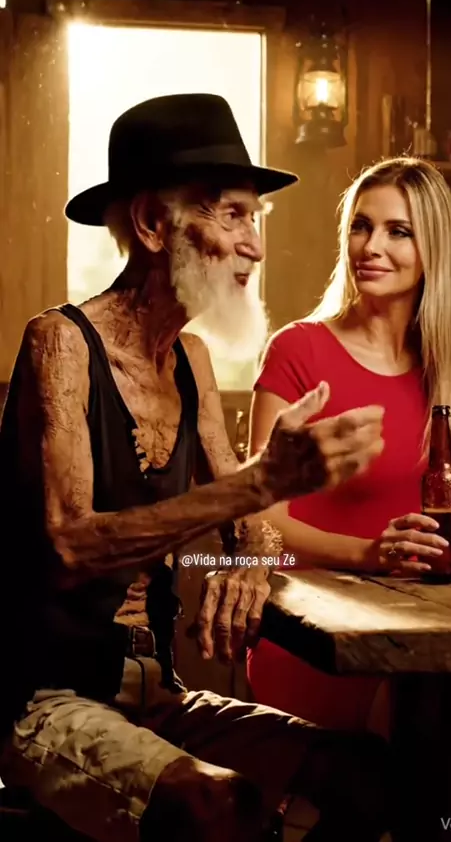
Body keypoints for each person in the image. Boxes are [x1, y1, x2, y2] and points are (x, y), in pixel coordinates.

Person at [0, 94, 390, 842]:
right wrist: (261, 482)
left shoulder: (192, 360)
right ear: (153, 223)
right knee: (218, 805)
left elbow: (249, 524)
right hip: (44, 700)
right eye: (233, 215)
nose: (255, 246)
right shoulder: (60, 342)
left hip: (163, 695)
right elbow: (69, 546)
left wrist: (249, 560)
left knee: (371, 777)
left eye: (255, 219)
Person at [247, 155, 451, 732]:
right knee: (436, 723)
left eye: (398, 231)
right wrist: (372, 555)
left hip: (426, 624)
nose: (371, 246)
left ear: (432, 251)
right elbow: (261, 524)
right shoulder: (297, 350)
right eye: (361, 226)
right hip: (319, 633)